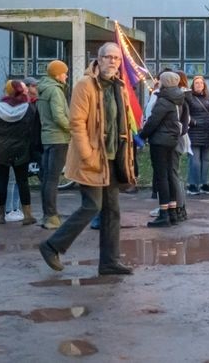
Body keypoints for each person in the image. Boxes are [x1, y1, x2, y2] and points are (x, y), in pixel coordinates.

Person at [39, 43, 137, 276]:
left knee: (112, 210)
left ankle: (109, 262)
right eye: (108, 57)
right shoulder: (85, 85)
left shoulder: (119, 86)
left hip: (113, 158)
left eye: (116, 58)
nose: (112, 61)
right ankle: (51, 246)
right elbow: (77, 122)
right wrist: (86, 155)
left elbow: (120, 122)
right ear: (98, 59)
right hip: (92, 157)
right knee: (92, 205)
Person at [0, 79, 40, 225]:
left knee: (2, 181)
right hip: (21, 148)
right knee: (22, 181)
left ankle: (0, 216)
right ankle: (28, 216)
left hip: (0, 149)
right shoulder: (28, 108)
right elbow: (32, 129)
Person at [142, 70, 189, 227]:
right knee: (169, 175)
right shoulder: (179, 98)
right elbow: (183, 120)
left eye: (160, 80)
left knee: (161, 176)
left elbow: (153, 121)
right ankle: (172, 211)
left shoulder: (163, 100)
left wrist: (141, 136)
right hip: (172, 140)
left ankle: (164, 214)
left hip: (160, 141)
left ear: (165, 82)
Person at [36, 60, 71, 229]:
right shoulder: (55, 91)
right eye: (64, 72)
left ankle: (47, 215)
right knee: (53, 179)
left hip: (47, 138)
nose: (66, 75)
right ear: (57, 74)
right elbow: (59, 116)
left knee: (47, 178)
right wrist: (73, 128)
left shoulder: (43, 89)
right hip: (59, 139)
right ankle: (52, 217)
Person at [185, 75, 209, 195]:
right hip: (194, 132)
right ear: (193, 85)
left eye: (201, 83)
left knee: (206, 159)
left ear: (204, 85)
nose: (199, 85)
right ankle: (193, 184)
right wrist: (193, 122)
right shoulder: (188, 98)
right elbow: (185, 113)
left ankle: (205, 184)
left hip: (207, 131)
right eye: (196, 83)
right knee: (194, 160)